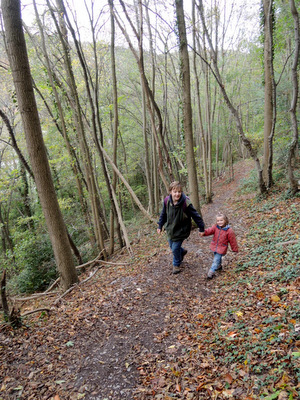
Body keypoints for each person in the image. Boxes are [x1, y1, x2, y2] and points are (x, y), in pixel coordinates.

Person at [157, 181, 205, 274]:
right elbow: (163, 214)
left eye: (179, 192)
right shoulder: (167, 201)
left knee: (175, 249)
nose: (177, 194)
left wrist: (201, 228)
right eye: (175, 192)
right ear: (170, 192)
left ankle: (176, 264)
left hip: (181, 230)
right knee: (173, 247)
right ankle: (182, 252)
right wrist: (160, 225)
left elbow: (196, 216)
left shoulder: (186, 203)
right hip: (170, 229)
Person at [200, 212, 238, 279]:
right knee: (216, 257)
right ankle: (219, 266)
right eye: (218, 221)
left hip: (222, 248)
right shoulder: (215, 227)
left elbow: (232, 241)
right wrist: (204, 232)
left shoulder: (229, 231)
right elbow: (210, 231)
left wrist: (234, 249)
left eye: (221, 220)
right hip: (214, 246)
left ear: (225, 220)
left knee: (216, 260)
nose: (219, 222)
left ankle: (211, 272)